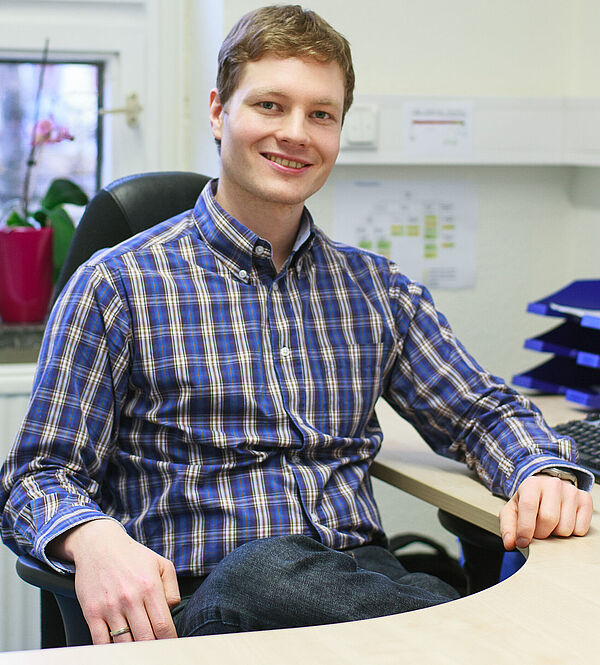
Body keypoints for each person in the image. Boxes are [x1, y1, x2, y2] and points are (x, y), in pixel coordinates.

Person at [0, 4, 594, 645]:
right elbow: (36, 477)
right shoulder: (118, 283)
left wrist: (542, 471)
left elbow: (480, 412)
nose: (296, 133)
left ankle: (449, 626)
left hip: (353, 583)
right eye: (269, 105)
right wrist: (90, 538)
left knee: (407, 584)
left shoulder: (376, 290)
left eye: (321, 115)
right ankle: (460, 630)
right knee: (269, 573)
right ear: (217, 111)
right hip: (199, 602)